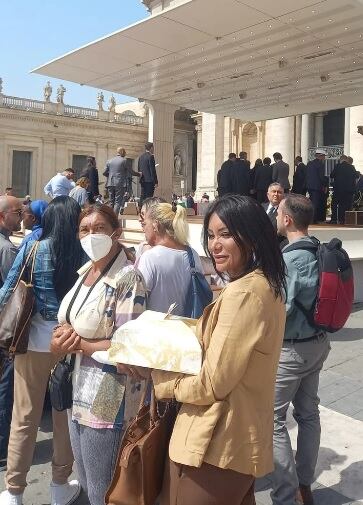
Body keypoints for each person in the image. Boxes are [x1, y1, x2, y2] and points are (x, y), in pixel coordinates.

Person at [149, 195, 286, 505]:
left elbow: (212, 383)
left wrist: (160, 381)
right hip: (232, 442)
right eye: (210, 235)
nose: (215, 245)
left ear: (251, 237)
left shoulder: (245, 293)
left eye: (225, 234)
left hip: (217, 444)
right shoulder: (261, 284)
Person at [50, 204, 147, 505]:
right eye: (85, 229)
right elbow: (67, 321)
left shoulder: (128, 278)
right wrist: (59, 339)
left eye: (99, 228)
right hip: (78, 385)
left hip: (109, 391)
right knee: (87, 472)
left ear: (116, 232)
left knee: (101, 486)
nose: (91, 235)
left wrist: (82, 345)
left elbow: (127, 344)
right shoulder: (86, 273)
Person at [0, 196, 84, 505]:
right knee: (64, 416)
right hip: (72, 345)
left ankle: (14, 491)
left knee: (24, 417)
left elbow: (7, 291)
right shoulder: (85, 255)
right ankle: (60, 484)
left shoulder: (33, 249)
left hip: (33, 343)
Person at [272, 194, 331, 505]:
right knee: (309, 414)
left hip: (292, 351)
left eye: (279, 212)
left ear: (287, 220)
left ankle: (285, 493)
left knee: (273, 421)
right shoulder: (322, 250)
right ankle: (304, 484)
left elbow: (282, 309)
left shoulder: (289, 260)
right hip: (319, 345)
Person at [137, 203, 203, 316]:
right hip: (186, 328)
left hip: (157, 330)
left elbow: (138, 301)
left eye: (145, 224)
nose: (144, 229)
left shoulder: (150, 258)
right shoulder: (193, 255)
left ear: (155, 225)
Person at [0, 196, 22, 473]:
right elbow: (16, 288)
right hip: (5, 324)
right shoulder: (7, 250)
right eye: (17, 212)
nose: (21, 216)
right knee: (6, 385)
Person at [105, 147, 141, 216]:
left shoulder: (109, 161)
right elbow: (131, 172)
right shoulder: (124, 161)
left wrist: (110, 176)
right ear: (122, 152)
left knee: (111, 202)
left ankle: (109, 218)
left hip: (110, 183)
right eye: (125, 152)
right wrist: (139, 174)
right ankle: (114, 220)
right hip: (119, 183)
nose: (125, 153)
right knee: (118, 202)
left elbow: (104, 172)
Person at [330, 155, 358, 224]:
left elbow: (331, 175)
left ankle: (334, 220)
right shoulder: (351, 167)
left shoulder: (338, 166)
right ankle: (342, 220)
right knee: (344, 205)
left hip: (338, 190)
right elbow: (356, 176)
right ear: (346, 160)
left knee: (334, 204)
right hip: (348, 190)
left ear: (341, 159)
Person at [306, 149, 328, 223]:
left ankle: (310, 219)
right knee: (315, 203)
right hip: (317, 187)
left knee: (311, 203)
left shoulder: (309, 163)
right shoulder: (320, 164)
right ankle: (313, 219)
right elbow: (321, 177)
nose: (324, 158)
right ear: (320, 156)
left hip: (309, 186)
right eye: (324, 156)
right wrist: (325, 186)